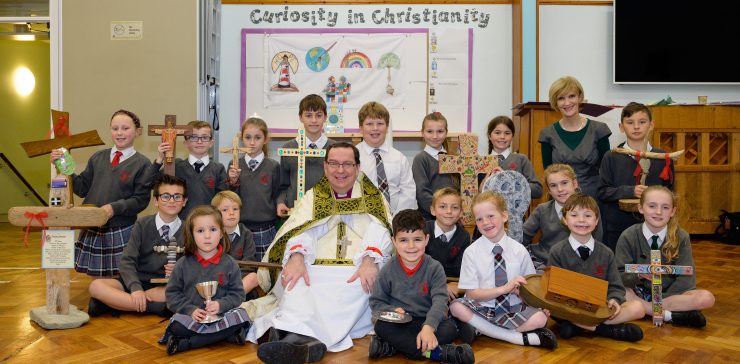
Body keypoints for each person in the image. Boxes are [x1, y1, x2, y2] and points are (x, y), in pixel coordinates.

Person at [247, 142, 393, 363]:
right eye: (334, 164)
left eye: (347, 164)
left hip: (357, 270)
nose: (340, 170)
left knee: (358, 285)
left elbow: (383, 229)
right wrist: (296, 257)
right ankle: (297, 339)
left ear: (358, 167)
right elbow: (301, 229)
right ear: (325, 167)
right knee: (297, 280)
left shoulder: (372, 197)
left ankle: (297, 339)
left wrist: (371, 259)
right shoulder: (315, 197)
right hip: (317, 268)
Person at [50, 109, 153, 277]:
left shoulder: (143, 164)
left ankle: (116, 301)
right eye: (115, 128)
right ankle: (100, 300)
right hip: (92, 226)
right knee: (97, 275)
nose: (119, 133)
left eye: (125, 128)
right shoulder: (97, 157)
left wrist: (114, 207)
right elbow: (82, 188)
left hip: (121, 227)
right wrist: (62, 166)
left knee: (121, 274)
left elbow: (140, 200)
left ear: (137, 131)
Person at [449, 192, 557, 350]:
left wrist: (527, 297)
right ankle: (519, 338)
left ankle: (481, 329)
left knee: (540, 318)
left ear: (504, 216)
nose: (486, 222)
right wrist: (504, 288)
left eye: (491, 216)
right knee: (455, 306)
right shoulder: (471, 252)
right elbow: (472, 294)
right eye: (479, 219)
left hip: (512, 308)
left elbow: (531, 289)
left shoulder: (519, 251)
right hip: (481, 307)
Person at [369, 209, 474, 364]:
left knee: (449, 329)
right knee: (382, 327)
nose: (411, 246)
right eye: (404, 240)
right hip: (402, 323)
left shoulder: (434, 267)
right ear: (394, 242)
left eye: (417, 239)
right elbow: (376, 303)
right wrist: (391, 310)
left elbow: (440, 301)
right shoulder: (387, 270)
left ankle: (391, 347)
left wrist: (429, 327)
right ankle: (439, 354)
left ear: (426, 239)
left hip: (429, 320)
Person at [548, 193, 644, 342]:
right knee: (552, 309)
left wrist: (614, 300)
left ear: (596, 220)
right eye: (574, 215)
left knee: (638, 308)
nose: (581, 220)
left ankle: (579, 327)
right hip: (569, 308)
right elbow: (554, 289)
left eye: (587, 215)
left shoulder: (606, 253)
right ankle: (606, 330)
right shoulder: (557, 251)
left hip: (600, 308)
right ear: (565, 220)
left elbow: (616, 287)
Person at [87, 174, 186, 317]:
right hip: (136, 281)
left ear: (184, 201)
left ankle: (114, 304)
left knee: (177, 292)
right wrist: (135, 288)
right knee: (96, 286)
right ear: (156, 200)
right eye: (165, 196)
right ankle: (155, 307)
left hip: (164, 285)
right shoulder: (142, 224)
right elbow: (127, 260)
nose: (171, 201)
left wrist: (180, 269)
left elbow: (194, 262)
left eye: (177, 196)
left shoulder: (190, 228)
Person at [616, 186, 715, 328]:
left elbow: (687, 279)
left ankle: (649, 310)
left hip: (670, 294)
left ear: (673, 211)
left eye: (665, 207)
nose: (658, 212)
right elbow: (619, 275)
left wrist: (660, 300)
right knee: (620, 291)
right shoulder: (628, 236)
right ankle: (669, 315)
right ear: (641, 208)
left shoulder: (681, 237)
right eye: (652, 206)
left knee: (706, 298)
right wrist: (639, 275)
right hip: (638, 293)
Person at [161, 205, 250, 355]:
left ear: (222, 233)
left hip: (221, 316)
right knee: (177, 324)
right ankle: (228, 336)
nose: (207, 236)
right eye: (200, 231)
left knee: (241, 316)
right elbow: (172, 295)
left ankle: (188, 343)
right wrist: (191, 310)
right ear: (192, 234)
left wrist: (220, 305)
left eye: (213, 230)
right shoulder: (182, 264)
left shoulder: (230, 263)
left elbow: (238, 295)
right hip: (192, 318)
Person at [598, 102, 675, 250]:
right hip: (618, 227)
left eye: (642, 122)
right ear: (621, 127)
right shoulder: (611, 156)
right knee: (620, 268)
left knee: (651, 267)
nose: (636, 127)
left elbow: (670, 193)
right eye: (630, 122)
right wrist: (630, 191)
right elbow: (603, 191)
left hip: (654, 227)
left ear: (651, 125)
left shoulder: (663, 158)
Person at [538, 76, 611, 199]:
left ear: (580, 97)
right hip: (561, 199)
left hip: (594, 199)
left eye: (571, 96)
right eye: (561, 98)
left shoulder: (599, 130)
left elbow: (608, 172)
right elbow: (549, 174)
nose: (567, 103)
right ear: (555, 103)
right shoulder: (547, 134)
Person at [522, 164, 603, 272]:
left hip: (577, 266)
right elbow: (522, 237)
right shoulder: (542, 210)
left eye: (564, 183)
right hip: (545, 263)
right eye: (553, 185)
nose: (560, 189)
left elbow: (597, 242)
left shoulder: (590, 209)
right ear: (549, 190)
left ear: (574, 183)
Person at [227, 116, 281, 260]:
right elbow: (230, 199)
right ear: (241, 139)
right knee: (240, 272)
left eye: (257, 138)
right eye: (248, 137)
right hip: (239, 229)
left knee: (265, 275)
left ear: (265, 140)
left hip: (265, 229)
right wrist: (233, 182)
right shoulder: (234, 165)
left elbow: (277, 195)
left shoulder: (273, 166)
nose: (252, 142)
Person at [276, 94, 337, 217]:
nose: (314, 120)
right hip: (295, 212)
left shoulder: (335, 149)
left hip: (328, 213)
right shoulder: (289, 148)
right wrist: (281, 202)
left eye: (318, 115)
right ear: (300, 117)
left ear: (325, 117)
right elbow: (283, 184)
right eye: (308, 115)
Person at [153, 120, 227, 219]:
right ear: (186, 143)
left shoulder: (218, 169)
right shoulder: (175, 167)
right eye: (193, 137)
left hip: (209, 224)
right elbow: (149, 183)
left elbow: (222, 201)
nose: (199, 141)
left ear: (211, 143)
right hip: (181, 224)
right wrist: (160, 159)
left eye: (205, 137)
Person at [356, 101, 417, 215]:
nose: (375, 128)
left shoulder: (399, 158)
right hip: (362, 219)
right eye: (369, 124)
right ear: (360, 128)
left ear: (387, 127)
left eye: (380, 123)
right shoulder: (352, 157)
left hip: (396, 219)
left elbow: (408, 192)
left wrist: (397, 220)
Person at [424, 188, 471, 301]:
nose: (449, 211)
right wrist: (440, 286)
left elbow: (460, 271)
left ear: (460, 212)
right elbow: (419, 265)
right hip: (425, 282)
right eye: (442, 206)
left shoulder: (464, 236)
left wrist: (456, 286)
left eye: (455, 207)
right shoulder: (423, 230)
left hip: (452, 287)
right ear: (433, 210)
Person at [480, 116, 543, 199]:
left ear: (512, 136)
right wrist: (483, 184)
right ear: (489, 136)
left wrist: (511, 182)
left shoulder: (521, 159)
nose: (502, 137)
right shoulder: (479, 162)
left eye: (507, 133)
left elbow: (537, 190)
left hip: (513, 211)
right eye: (497, 133)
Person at [212, 191, 259, 297]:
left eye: (235, 209)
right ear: (215, 213)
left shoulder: (246, 234)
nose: (231, 213)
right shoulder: (212, 233)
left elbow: (249, 264)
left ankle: (229, 300)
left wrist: (233, 280)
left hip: (241, 281)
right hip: (218, 280)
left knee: (253, 277)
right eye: (225, 210)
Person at [412, 112, 457, 221]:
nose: (435, 136)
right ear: (422, 133)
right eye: (429, 131)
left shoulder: (454, 158)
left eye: (440, 131)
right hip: (430, 219)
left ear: (446, 132)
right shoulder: (421, 159)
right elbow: (422, 194)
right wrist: (442, 212)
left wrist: (456, 211)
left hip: (453, 217)